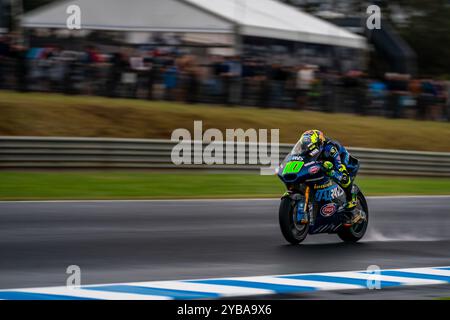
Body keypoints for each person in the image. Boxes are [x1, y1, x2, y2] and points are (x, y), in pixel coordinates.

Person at [294, 130, 360, 225]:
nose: (307, 148)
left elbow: (338, 164)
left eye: (310, 146)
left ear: (319, 143)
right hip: (322, 162)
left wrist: (334, 171)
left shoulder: (330, 148)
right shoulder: (306, 146)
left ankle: (351, 201)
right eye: (305, 145)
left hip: (340, 160)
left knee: (343, 176)